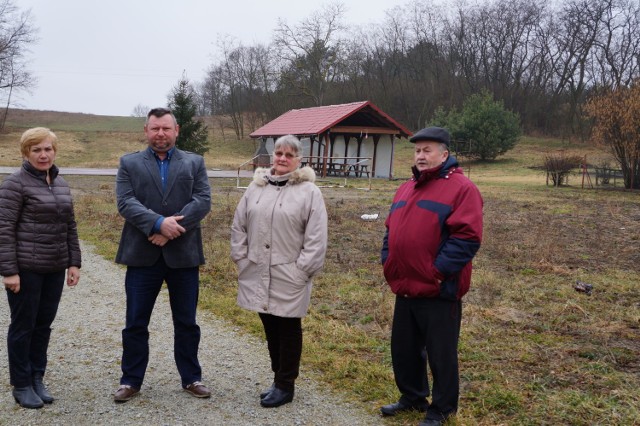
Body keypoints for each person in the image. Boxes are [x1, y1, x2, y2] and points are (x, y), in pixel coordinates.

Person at [379, 127, 483, 426]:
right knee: (404, 348)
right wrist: (390, 264)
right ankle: (412, 397)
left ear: (444, 154)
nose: (421, 156)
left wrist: (436, 272)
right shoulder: (407, 187)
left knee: (441, 353)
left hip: (439, 289)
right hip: (405, 286)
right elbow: (391, 231)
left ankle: (442, 408)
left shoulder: (462, 189)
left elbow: (467, 238)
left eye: (427, 150)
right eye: (417, 150)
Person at [113, 107, 212, 402]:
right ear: (146, 131)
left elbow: (203, 200)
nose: (160, 134)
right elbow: (125, 201)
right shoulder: (129, 163)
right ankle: (131, 380)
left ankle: (191, 377)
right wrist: (157, 223)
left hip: (184, 257)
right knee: (135, 322)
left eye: (166, 129)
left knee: (186, 322)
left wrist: (170, 227)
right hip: (143, 257)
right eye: (155, 129)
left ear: (176, 130)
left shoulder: (194, 162)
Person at [231, 134, 328, 408]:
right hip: (257, 270)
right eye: (279, 153)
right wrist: (241, 258)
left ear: (299, 160)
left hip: (289, 273)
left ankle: (286, 384)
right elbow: (239, 225)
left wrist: (301, 271)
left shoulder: (309, 192)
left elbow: (316, 237)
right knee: (270, 326)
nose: (283, 158)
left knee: (288, 327)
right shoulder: (256, 187)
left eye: (289, 154)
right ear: (272, 156)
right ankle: (277, 378)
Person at [0, 127, 82, 409]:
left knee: (43, 326)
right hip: (26, 270)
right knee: (23, 326)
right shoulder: (15, 184)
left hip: (54, 268)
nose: (43, 154)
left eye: (48, 149)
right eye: (37, 150)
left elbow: (69, 225)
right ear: (26, 153)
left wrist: (74, 262)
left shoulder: (60, 183)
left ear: (55, 151)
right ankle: (21, 384)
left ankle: (37, 377)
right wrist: (8, 271)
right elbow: (4, 229)